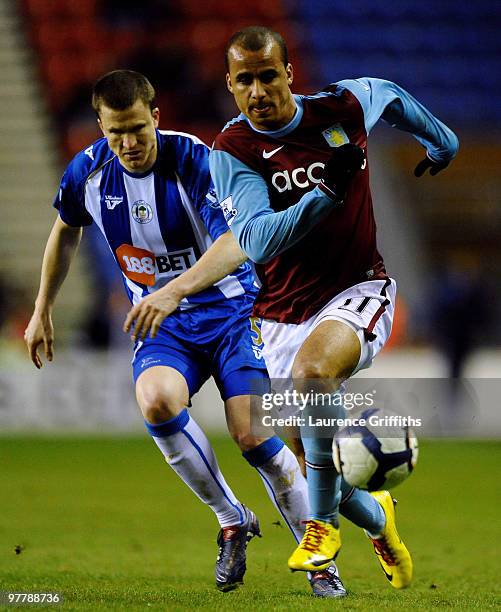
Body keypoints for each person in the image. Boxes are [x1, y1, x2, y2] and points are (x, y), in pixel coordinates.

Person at [23, 70, 348, 597]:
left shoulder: (198, 161)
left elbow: (236, 243)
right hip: (166, 326)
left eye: (136, 129)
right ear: (99, 128)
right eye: (114, 133)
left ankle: (320, 563)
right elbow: (66, 229)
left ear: (155, 117)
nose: (128, 144)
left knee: (253, 436)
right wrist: (43, 308)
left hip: (235, 313)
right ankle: (232, 518)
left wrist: (172, 290)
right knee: (155, 401)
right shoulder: (87, 172)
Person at [210, 26, 459, 589]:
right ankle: (379, 521)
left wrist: (442, 141)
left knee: (313, 374)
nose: (257, 91)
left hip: (356, 290)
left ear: (289, 74)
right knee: (317, 465)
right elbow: (256, 241)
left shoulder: (340, 108)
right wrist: (324, 193)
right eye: (243, 81)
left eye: (267, 76)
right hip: (276, 316)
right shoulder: (233, 151)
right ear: (230, 85)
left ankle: (320, 528)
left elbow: (388, 94)